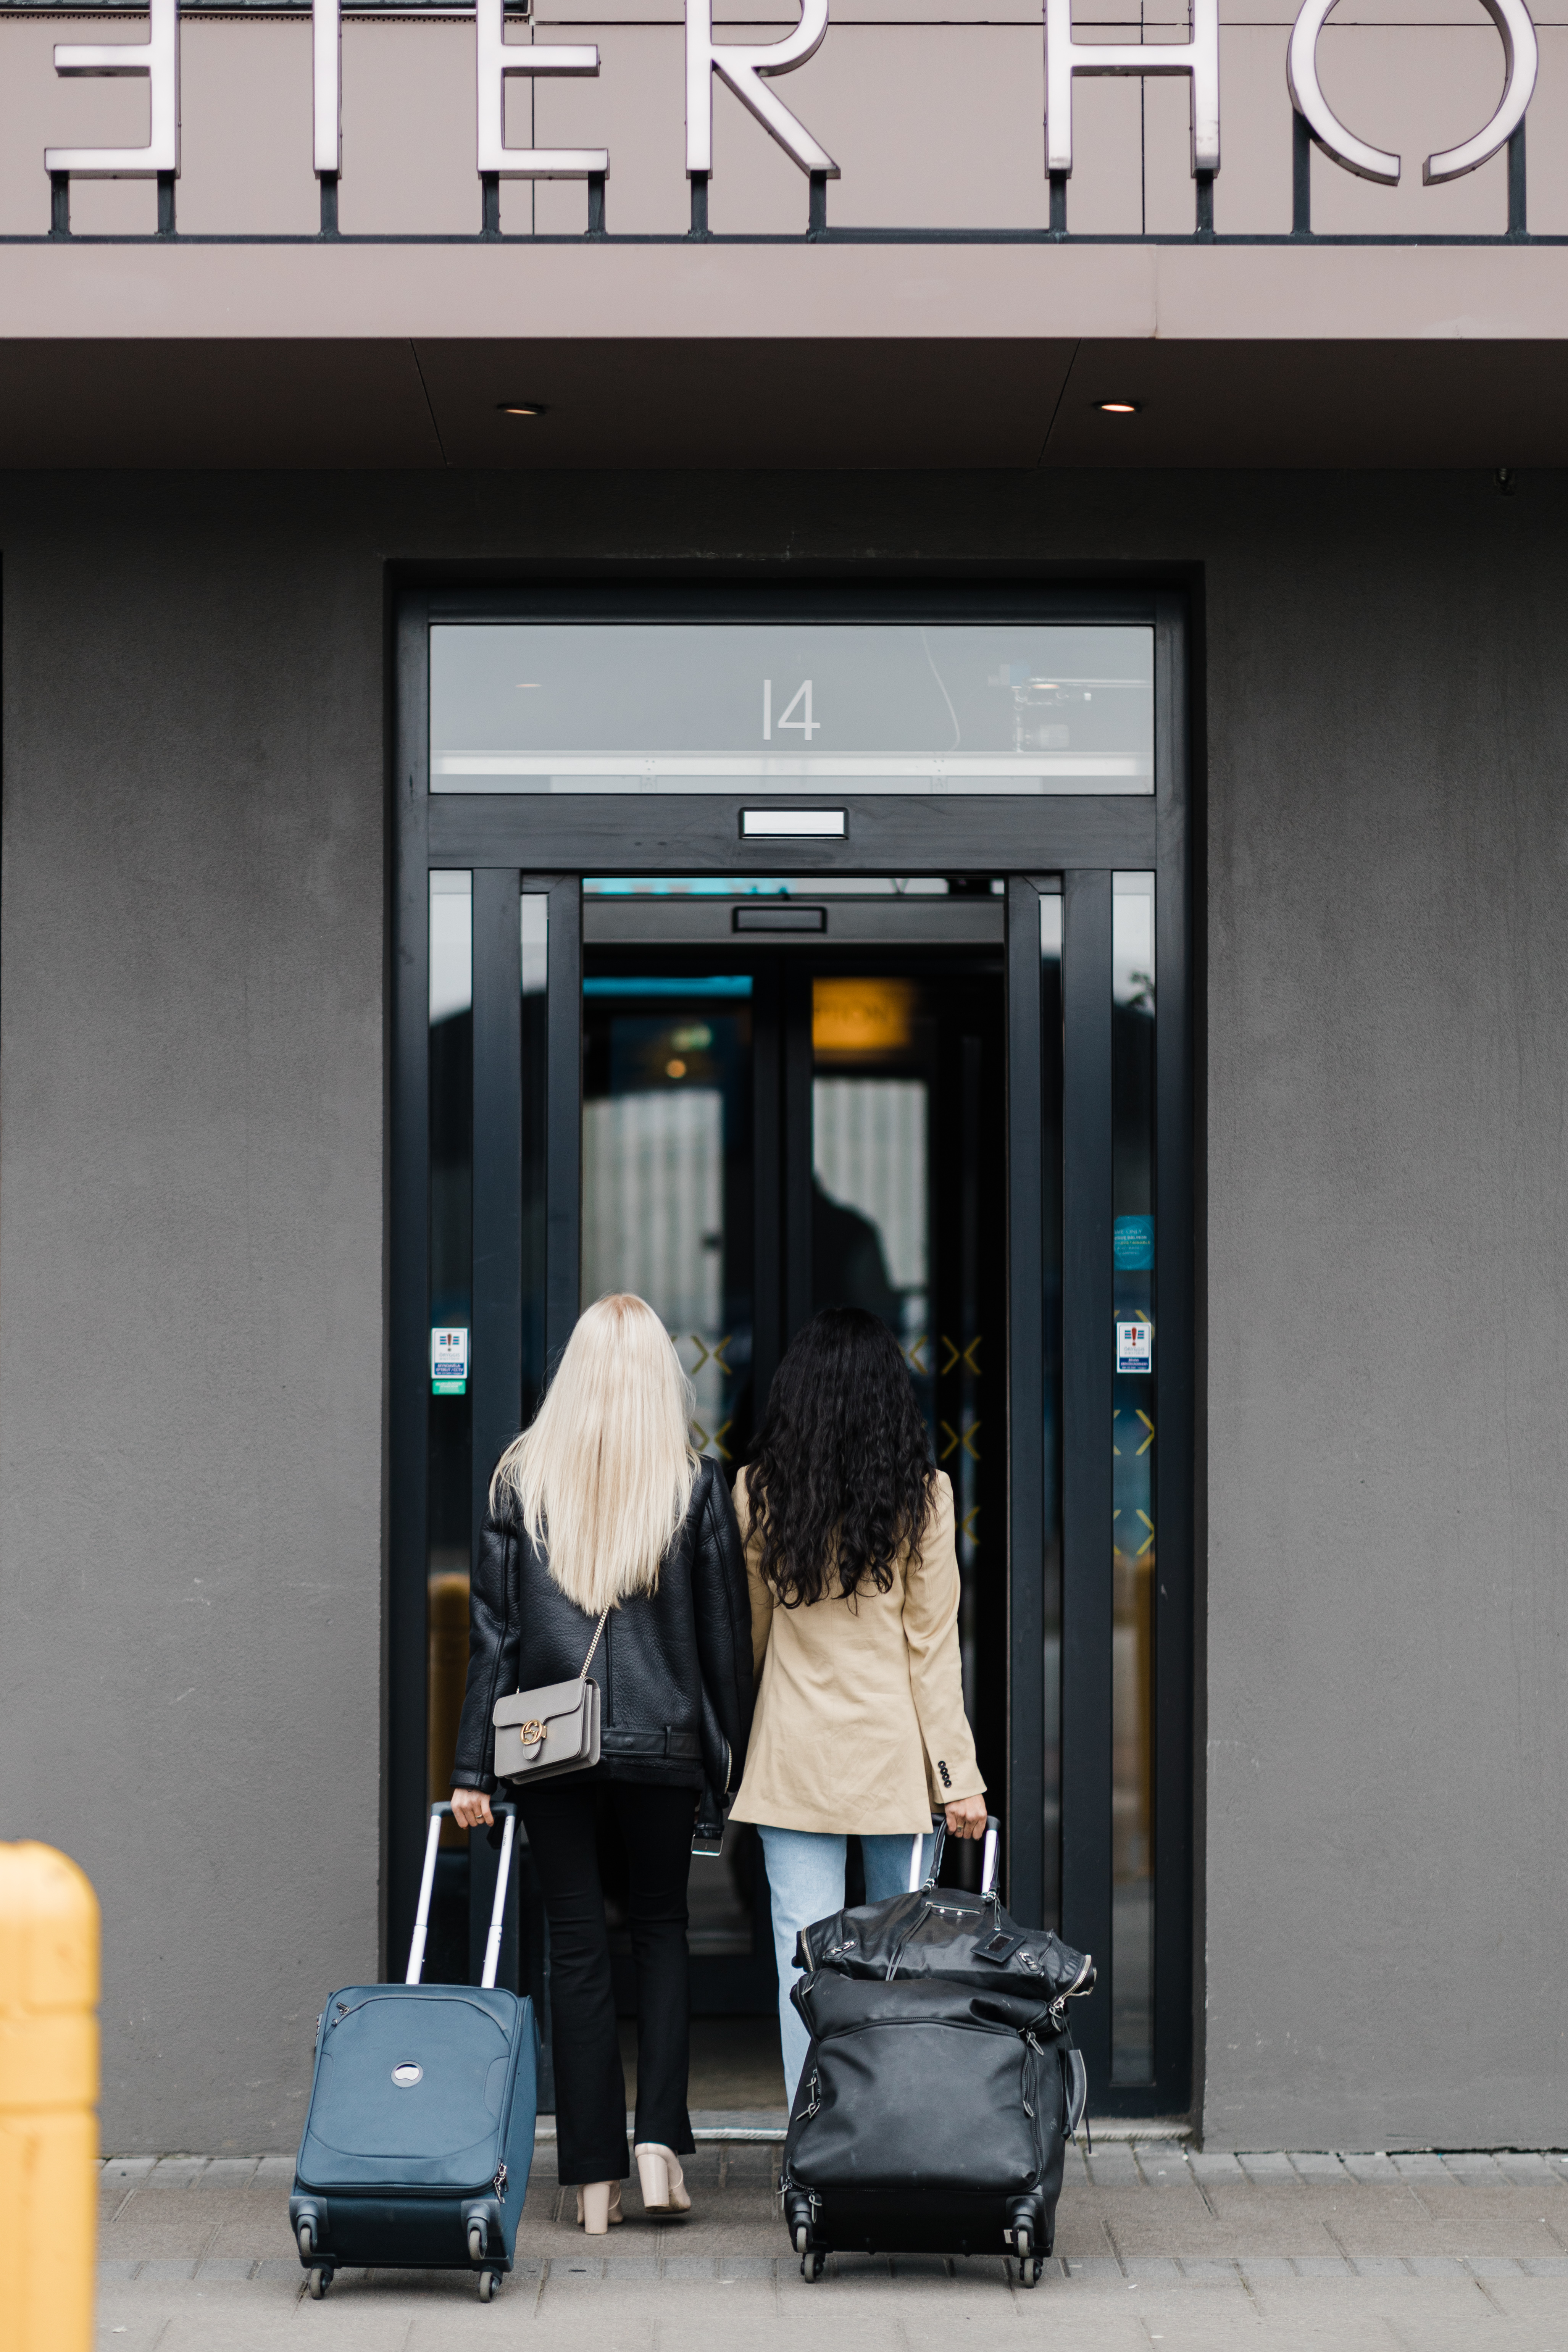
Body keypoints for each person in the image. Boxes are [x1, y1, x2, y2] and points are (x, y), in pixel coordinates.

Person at [450, 1293, 753, 2233]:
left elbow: (493, 1641)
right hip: (661, 1744)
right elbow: (720, 1646)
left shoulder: (520, 1482)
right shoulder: (694, 1485)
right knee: (662, 1933)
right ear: (658, 1377)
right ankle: (659, 2144)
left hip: (549, 1749)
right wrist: (724, 1764)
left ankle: (589, 2180)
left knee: (576, 1947)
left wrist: (473, 1768)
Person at [729, 1306, 988, 2107]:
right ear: (890, 1395)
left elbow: (752, 1639)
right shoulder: (926, 1497)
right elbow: (930, 1651)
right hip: (892, 1764)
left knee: (801, 1963)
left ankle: (814, 2138)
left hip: (793, 1756)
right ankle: (883, 2140)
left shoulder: (757, 1493)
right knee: (898, 1965)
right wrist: (958, 1778)